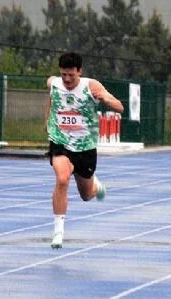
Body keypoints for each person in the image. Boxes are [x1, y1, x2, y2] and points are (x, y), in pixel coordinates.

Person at [45, 52, 123, 249]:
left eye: (71, 75)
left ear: (79, 71)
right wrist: (47, 121)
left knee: (86, 195)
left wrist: (105, 99)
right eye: (64, 75)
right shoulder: (54, 83)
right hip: (60, 141)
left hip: (85, 147)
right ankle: (58, 231)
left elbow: (119, 106)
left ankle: (97, 186)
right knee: (62, 179)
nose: (67, 79)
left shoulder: (91, 86)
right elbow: (51, 99)